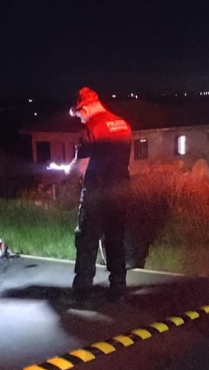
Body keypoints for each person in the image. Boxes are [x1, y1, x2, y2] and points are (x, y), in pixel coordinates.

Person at [67, 87, 132, 302]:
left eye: (79, 115)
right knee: (115, 240)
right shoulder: (123, 124)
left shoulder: (90, 130)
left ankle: (82, 292)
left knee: (87, 242)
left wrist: (66, 170)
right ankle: (119, 288)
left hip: (96, 195)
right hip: (121, 192)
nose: (80, 120)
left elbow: (80, 168)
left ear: (84, 109)